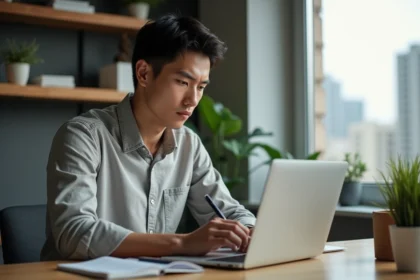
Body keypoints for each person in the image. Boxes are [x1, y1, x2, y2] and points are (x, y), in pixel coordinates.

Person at [41, 14, 256, 261]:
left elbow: (228, 211)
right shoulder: (83, 137)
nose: (193, 100)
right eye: (182, 82)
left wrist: (249, 231)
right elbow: (74, 234)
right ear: (143, 73)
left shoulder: (188, 145)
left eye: (201, 87)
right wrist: (183, 242)